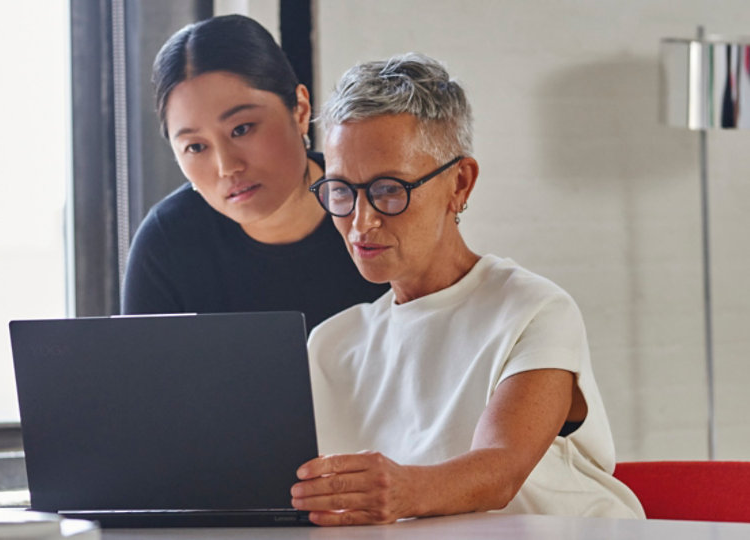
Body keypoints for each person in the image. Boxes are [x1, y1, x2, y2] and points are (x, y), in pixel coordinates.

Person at [290, 53, 645, 526]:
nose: (361, 220)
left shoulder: (534, 310)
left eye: (389, 189)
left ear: (460, 183)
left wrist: (401, 491)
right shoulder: (332, 343)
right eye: (341, 191)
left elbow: (500, 470)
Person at [121, 14, 387, 331]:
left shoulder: (380, 208)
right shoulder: (167, 245)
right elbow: (145, 379)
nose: (227, 166)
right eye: (195, 147)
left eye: (242, 129)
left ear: (300, 110)